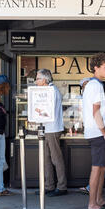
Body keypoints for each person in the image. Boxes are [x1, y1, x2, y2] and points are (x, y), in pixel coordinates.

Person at [82, 52, 105, 209]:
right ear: (96, 68)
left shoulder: (92, 85)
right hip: (98, 132)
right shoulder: (96, 86)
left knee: (103, 165)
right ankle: (92, 204)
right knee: (97, 167)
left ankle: (98, 199)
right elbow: (96, 111)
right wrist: (104, 132)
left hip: (94, 132)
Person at [35, 69, 68, 197]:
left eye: (38, 78)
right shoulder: (47, 91)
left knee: (56, 158)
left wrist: (36, 112)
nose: (36, 81)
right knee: (46, 159)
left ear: (44, 79)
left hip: (52, 128)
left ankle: (61, 186)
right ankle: (49, 185)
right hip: (46, 128)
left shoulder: (52, 91)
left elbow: (47, 111)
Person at [82, 82, 105, 196]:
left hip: (104, 133)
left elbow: (96, 113)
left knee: (104, 164)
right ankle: (93, 189)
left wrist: (104, 133)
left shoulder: (102, 98)